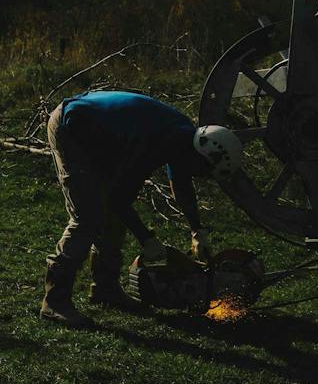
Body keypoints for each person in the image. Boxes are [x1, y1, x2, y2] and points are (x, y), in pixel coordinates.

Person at [39, 89, 244, 326]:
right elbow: (119, 199)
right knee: (88, 217)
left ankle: (105, 288)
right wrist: (146, 238)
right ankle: (54, 302)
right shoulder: (156, 141)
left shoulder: (185, 139)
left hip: (99, 130)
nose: (201, 176)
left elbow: (181, 185)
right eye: (204, 171)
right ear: (203, 156)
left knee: (110, 215)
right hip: (73, 127)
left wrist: (198, 231)